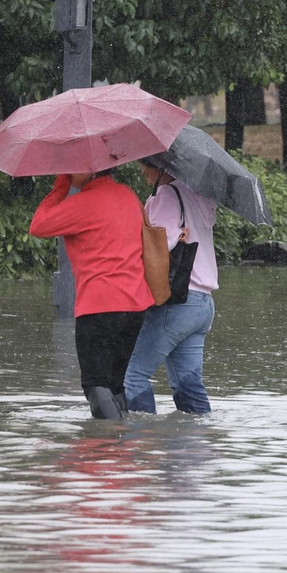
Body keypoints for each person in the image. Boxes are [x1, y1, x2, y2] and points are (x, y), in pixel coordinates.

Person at [29, 169, 154, 419]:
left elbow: (38, 226)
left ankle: (107, 445)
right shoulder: (128, 196)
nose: (66, 170)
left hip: (99, 306)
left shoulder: (82, 204)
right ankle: (124, 450)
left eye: (72, 166)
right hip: (135, 306)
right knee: (115, 384)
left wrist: (60, 186)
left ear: (90, 169)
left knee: (96, 385)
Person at [123, 161, 218, 414]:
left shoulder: (166, 195)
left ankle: (141, 444)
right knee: (189, 386)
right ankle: (196, 447)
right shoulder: (199, 196)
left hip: (177, 301)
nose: (146, 180)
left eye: (147, 173)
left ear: (163, 168)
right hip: (203, 304)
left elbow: (156, 246)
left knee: (131, 376)